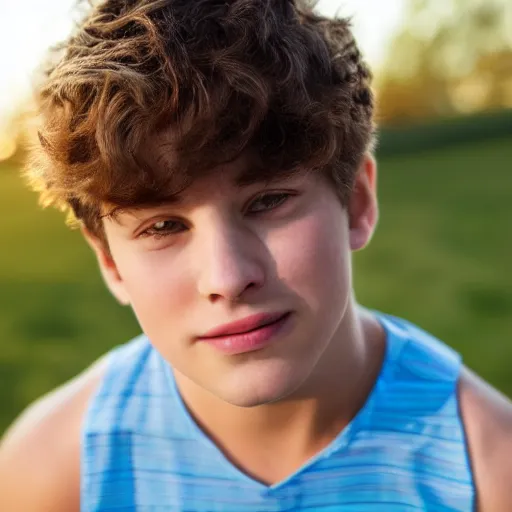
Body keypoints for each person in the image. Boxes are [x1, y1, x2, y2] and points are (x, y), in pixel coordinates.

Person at [1, 0, 511, 510]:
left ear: (356, 203)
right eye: (163, 226)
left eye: (268, 202)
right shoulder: (50, 474)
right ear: (110, 261)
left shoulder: (488, 469)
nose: (227, 276)